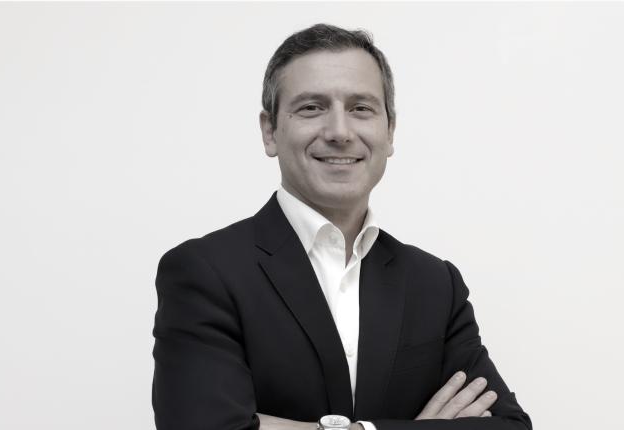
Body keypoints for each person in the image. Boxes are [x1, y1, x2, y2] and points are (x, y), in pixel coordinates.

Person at [152, 23, 531, 430]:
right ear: (270, 131)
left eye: (361, 108)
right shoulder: (204, 272)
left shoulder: (435, 284)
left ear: (389, 131)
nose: (339, 132)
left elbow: (510, 426)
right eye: (311, 108)